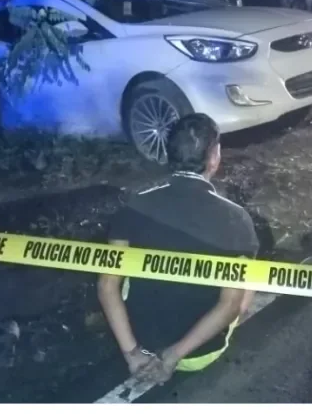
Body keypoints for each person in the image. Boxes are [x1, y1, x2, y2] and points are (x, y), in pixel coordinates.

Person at [97, 113, 260, 385]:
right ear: (214, 157)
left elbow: (106, 286)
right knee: (249, 280)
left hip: (142, 344)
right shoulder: (237, 219)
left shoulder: (134, 205)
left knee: (121, 274)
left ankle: (136, 348)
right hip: (199, 356)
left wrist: (132, 355)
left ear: (168, 155)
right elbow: (232, 305)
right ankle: (183, 350)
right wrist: (172, 356)